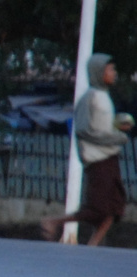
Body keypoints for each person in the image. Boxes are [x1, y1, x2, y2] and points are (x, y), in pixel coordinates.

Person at [41, 54, 132, 247]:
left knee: (115, 207)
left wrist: (118, 127)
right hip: (97, 159)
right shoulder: (89, 98)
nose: (113, 73)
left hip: (110, 156)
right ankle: (54, 221)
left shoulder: (104, 97)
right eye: (110, 69)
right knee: (97, 208)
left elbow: (102, 126)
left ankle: (92, 246)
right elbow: (84, 130)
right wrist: (115, 137)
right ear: (98, 72)